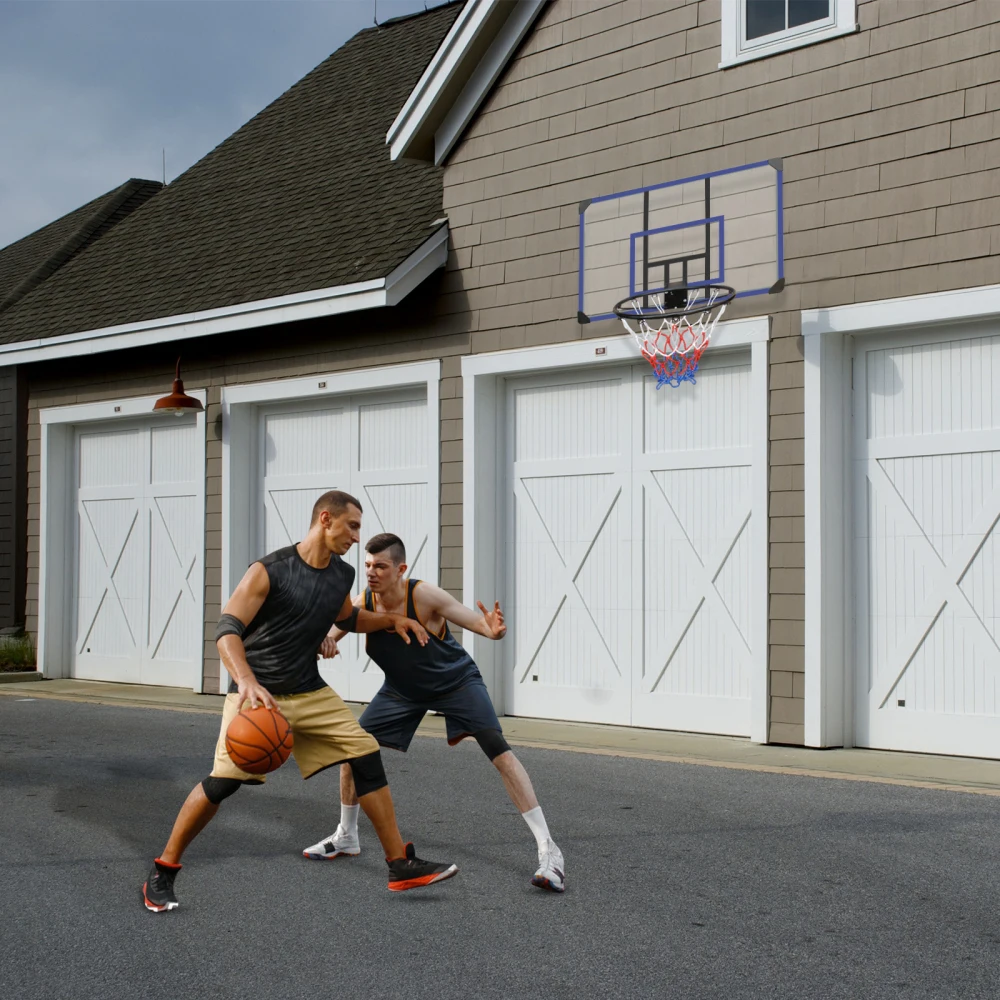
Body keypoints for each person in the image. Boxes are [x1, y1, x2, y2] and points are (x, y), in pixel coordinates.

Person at [142, 492, 459, 912]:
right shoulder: (269, 570)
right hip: (259, 696)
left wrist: (393, 619)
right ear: (325, 519)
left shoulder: (340, 575)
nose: (356, 536)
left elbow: (347, 618)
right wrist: (246, 681)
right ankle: (163, 872)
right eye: (352, 525)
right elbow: (226, 629)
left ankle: (399, 865)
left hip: (309, 691)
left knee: (364, 752)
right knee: (223, 782)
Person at [302, 532, 565, 893]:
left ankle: (549, 851)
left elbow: (476, 623)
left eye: (380, 566)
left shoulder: (423, 595)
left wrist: (492, 630)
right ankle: (347, 835)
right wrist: (326, 640)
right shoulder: (363, 602)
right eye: (367, 565)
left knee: (499, 753)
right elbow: (333, 631)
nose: (371, 572)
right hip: (401, 691)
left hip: (456, 683)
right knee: (353, 748)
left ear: (401, 569)